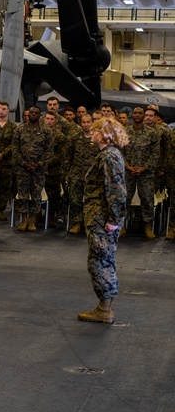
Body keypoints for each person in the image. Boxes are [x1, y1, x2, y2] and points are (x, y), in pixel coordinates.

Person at [79, 118, 128, 324]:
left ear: (106, 134)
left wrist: (114, 219)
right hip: (99, 216)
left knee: (99, 261)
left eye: (97, 129)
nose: (92, 131)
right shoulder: (107, 155)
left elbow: (116, 191)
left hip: (102, 218)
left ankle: (105, 309)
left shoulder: (109, 156)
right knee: (102, 259)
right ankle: (104, 306)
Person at [121, 105, 161, 238]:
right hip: (128, 172)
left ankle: (148, 226)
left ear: (144, 116)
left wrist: (145, 167)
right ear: (132, 115)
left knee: (147, 200)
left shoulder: (151, 133)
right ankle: (121, 226)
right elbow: (120, 151)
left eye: (140, 113)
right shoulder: (125, 132)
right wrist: (127, 166)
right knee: (124, 199)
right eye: (135, 113)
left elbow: (156, 154)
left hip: (146, 173)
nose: (137, 115)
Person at [13, 104, 54, 232]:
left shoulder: (46, 131)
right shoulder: (19, 130)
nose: (33, 115)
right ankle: (24, 219)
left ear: (39, 115)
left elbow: (49, 151)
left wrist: (39, 163)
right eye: (31, 113)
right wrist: (23, 163)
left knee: (36, 195)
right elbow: (15, 149)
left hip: (39, 169)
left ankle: (32, 220)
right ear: (28, 114)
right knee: (23, 194)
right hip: (22, 168)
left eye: (36, 113)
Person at [65, 113, 98, 234]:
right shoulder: (74, 138)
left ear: (92, 123)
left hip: (92, 175)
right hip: (76, 174)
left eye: (88, 122)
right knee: (75, 199)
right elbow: (68, 157)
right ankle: (77, 223)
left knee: (91, 201)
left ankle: (89, 223)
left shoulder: (97, 139)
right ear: (80, 123)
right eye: (84, 122)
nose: (86, 124)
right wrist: (67, 173)